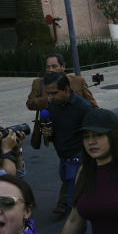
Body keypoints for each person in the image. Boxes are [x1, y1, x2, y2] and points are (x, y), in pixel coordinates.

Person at [42, 73, 94, 225]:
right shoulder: (52, 106)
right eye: (48, 93)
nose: (50, 97)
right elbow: (52, 132)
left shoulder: (83, 107)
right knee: (76, 200)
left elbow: (92, 136)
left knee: (74, 205)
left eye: (54, 93)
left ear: (66, 89)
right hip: (63, 159)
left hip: (78, 159)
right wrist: (46, 133)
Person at [26, 53, 98, 111]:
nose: (50, 70)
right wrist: (48, 99)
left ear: (63, 67)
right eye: (48, 67)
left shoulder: (78, 81)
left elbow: (92, 104)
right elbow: (30, 104)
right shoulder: (38, 83)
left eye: (54, 66)